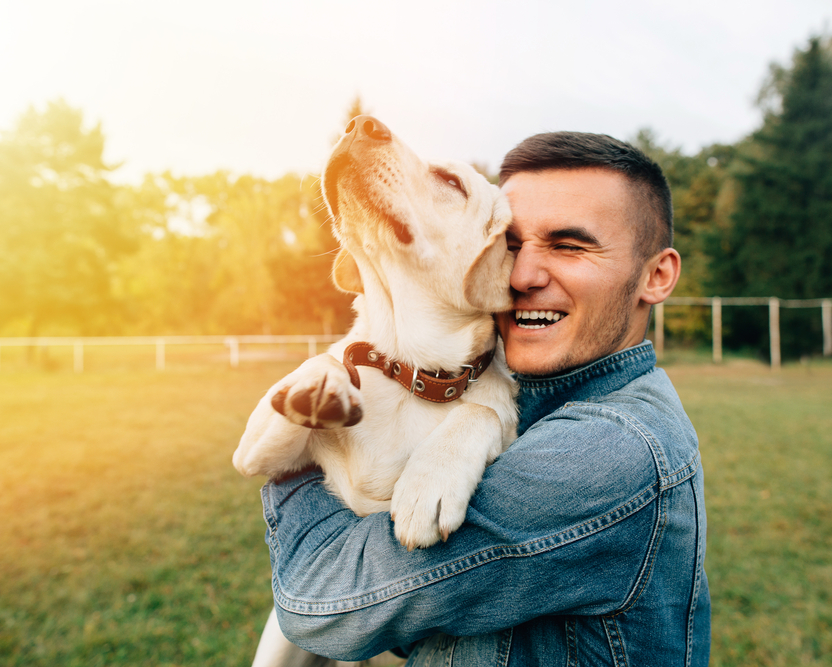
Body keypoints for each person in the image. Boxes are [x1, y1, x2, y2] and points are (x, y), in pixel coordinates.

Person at [258, 132, 710, 666]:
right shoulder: (517, 396)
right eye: (512, 244)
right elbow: (415, 627)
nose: (521, 276)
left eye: (569, 245)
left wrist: (295, 450)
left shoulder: (612, 451)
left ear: (657, 276)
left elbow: (327, 603)